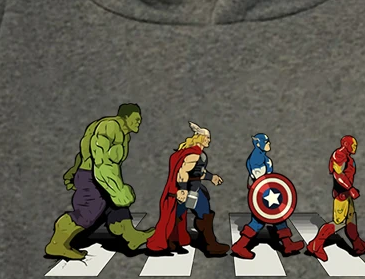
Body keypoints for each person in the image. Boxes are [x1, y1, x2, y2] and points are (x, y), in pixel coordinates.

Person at [44, 102, 155, 260]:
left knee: (116, 207)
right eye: (136, 119)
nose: (139, 122)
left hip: (100, 174)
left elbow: (86, 151)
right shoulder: (110, 127)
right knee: (88, 211)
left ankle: (132, 237)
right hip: (93, 176)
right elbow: (101, 161)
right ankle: (57, 244)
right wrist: (117, 190)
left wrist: (74, 170)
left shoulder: (121, 132)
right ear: (125, 117)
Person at [146, 120, 228, 256]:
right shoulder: (194, 154)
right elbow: (183, 172)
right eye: (207, 137)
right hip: (191, 190)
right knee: (204, 214)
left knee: (177, 215)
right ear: (200, 138)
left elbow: (197, 173)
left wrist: (211, 177)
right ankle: (210, 244)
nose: (209, 140)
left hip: (191, 188)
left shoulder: (197, 153)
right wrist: (183, 189)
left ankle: (173, 241)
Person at [230, 132, 303, 259]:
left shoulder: (261, 156)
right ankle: (240, 246)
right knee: (258, 221)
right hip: (262, 195)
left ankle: (288, 244)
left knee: (279, 218)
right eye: (266, 142)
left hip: (267, 193)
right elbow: (260, 180)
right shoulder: (256, 159)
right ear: (259, 144)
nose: (269, 144)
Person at [306, 134, 365, 262]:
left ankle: (358, 246)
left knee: (351, 221)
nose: (355, 147)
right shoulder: (339, 155)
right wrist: (350, 188)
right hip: (341, 196)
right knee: (338, 222)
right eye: (353, 145)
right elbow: (338, 175)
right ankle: (316, 245)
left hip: (347, 195)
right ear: (346, 144)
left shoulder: (346, 156)